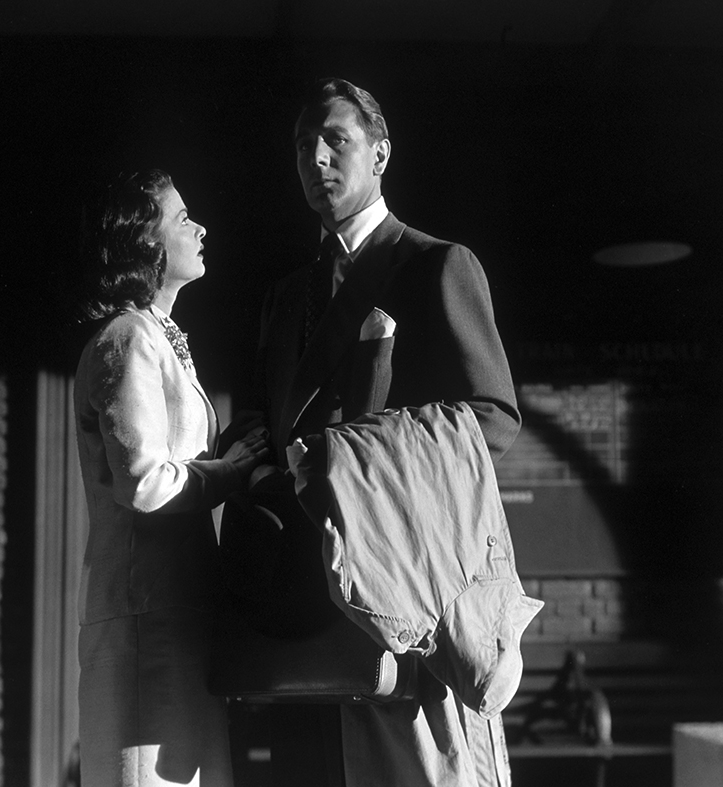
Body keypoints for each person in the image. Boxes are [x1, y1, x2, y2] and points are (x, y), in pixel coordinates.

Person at [251, 78, 525, 786]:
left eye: (335, 140)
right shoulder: (286, 297)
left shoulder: (436, 265)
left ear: (380, 155)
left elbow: (491, 416)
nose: (316, 158)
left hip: (407, 587)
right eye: (303, 146)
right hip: (302, 604)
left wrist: (357, 464)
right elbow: (263, 424)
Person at [71, 169, 270, 787]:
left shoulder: (158, 336)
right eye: (183, 218)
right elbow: (144, 483)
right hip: (145, 622)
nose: (201, 228)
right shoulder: (127, 338)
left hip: (178, 616)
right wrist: (232, 473)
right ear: (147, 244)